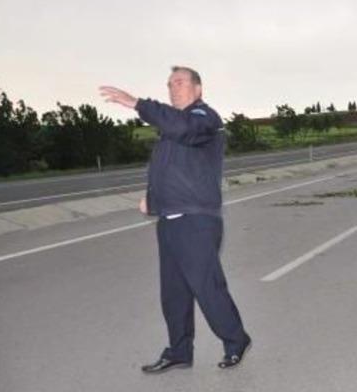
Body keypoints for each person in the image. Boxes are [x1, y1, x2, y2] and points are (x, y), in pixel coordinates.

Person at [99, 66, 252, 373]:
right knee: (173, 293)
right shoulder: (171, 131)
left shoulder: (204, 119)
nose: (173, 88)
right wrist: (152, 199)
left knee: (206, 287)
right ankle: (180, 351)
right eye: (169, 84)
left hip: (196, 219)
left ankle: (236, 340)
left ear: (198, 89)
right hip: (170, 219)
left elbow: (183, 129)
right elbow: (169, 170)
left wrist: (138, 104)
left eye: (180, 82)